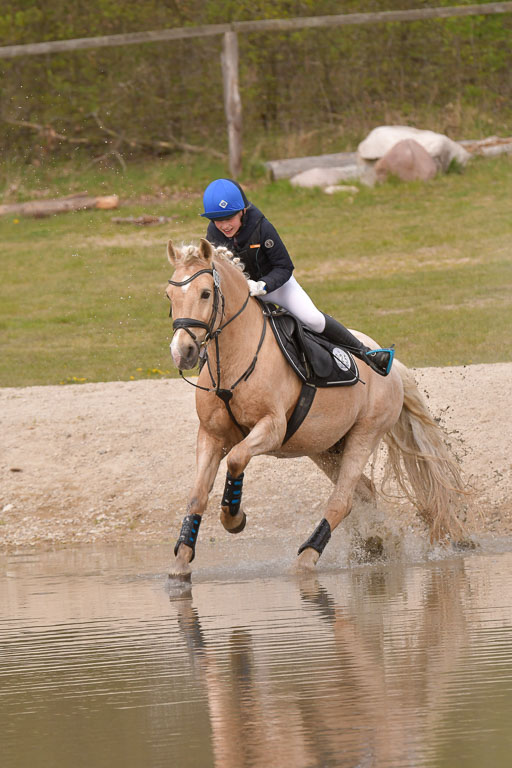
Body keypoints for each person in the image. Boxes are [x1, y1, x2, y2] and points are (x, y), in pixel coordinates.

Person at [201, 178, 394, 376]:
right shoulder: (213, 234)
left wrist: (263, 285)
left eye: (229, 218)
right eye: (218, 220)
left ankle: (367, 354)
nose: (224, 225)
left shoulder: (262, 227)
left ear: (242, 211)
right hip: (242, 295)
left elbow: (284, 266)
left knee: (314, 320)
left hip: (276, 288)